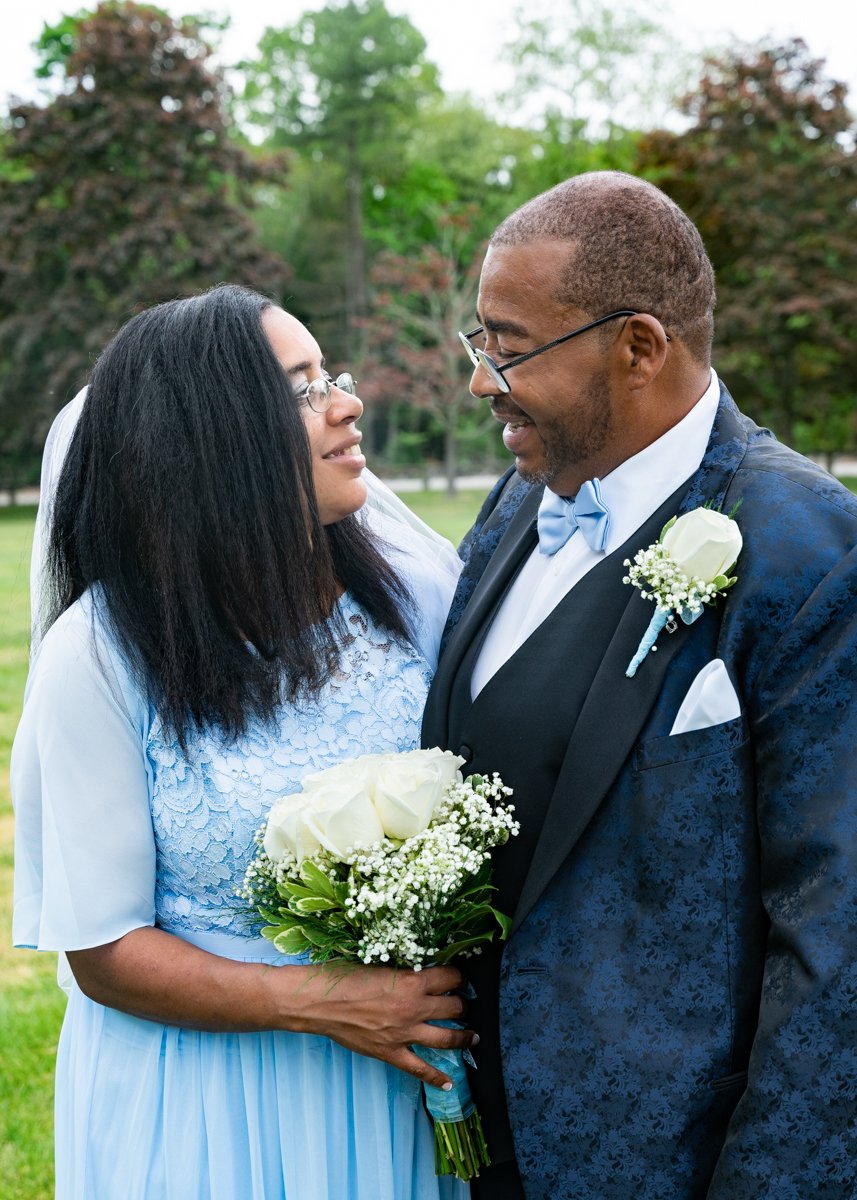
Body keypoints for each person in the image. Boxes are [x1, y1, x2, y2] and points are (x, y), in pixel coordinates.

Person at [422, 172, 857, 1199]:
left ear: (638, 347)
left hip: (672, 1160)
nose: (481, 382)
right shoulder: (514, 506)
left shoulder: (804, 545)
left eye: (508, 346)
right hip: (473, 1144)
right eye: (477, 341)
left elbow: (835, 938)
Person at [12, 283, 471, 1200]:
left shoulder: (413, 593)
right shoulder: (100, 658)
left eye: (330, 376)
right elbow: (103, 950)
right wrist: (328, 1004)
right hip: (209, 1103)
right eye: (302, 391)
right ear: (213, 438)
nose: (346, 404)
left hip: (401, 1079)